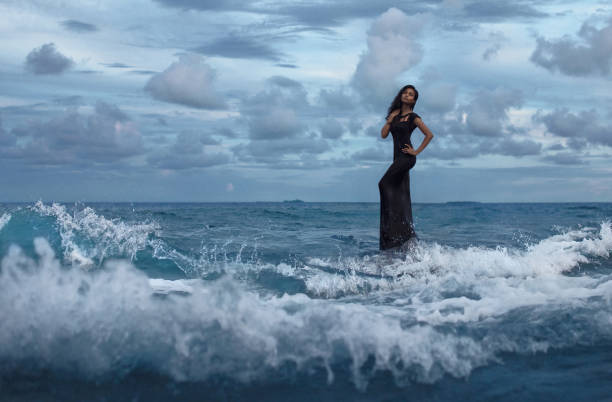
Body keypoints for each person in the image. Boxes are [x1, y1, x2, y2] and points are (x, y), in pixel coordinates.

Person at [378, 85, 434, 250]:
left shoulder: (413, 117)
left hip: (407, 158)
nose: (407, 96)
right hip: (397, 159)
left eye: (411, 95)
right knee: (400, 193)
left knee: (383, 184)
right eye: (405, 93)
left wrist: (416, 151)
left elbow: (429, 134)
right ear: (401, 95)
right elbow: (383, 135)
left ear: (414, 100)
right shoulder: (394, 116)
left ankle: (393, 230)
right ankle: (400, 236)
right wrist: (390, 119)